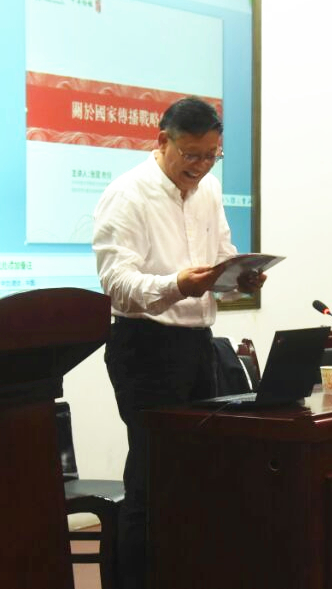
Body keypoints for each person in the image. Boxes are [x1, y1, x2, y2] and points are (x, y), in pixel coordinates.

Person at [92, 97, 265, 589]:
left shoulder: (209, 190)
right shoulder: (127, 195)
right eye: (192, 155)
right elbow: (116, 284)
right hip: (144, 348)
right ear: (162, 141)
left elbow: (222, 257)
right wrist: (177, 284)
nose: (202, 166)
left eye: (212, 155)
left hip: (197, 345)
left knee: (196, 477)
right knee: (152, 480)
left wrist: (238, 278)